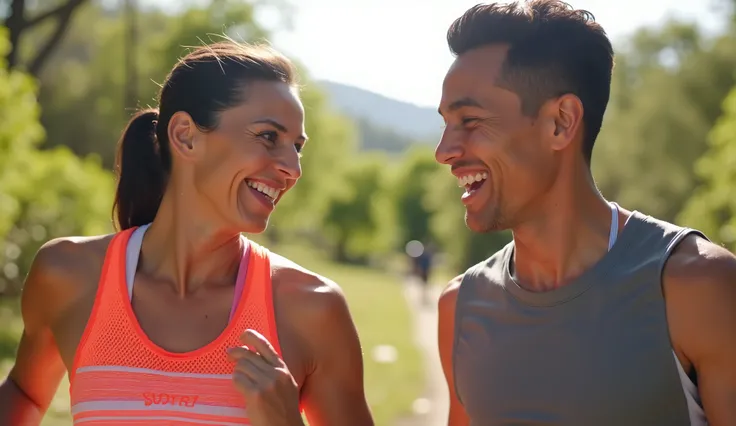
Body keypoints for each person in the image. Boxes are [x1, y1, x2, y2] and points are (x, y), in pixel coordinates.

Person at [0, 40, 374, 426]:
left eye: (297, 147)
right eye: (268, 137)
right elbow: (24, 393)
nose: (293, 168)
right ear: (185, 136)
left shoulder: (313, 309)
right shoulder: (68, 276)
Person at [435, 1, 736, 425]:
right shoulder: (460, 307)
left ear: (560, 122)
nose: (443, 151)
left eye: (469, 120)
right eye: (446, 123)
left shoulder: (697, 286)